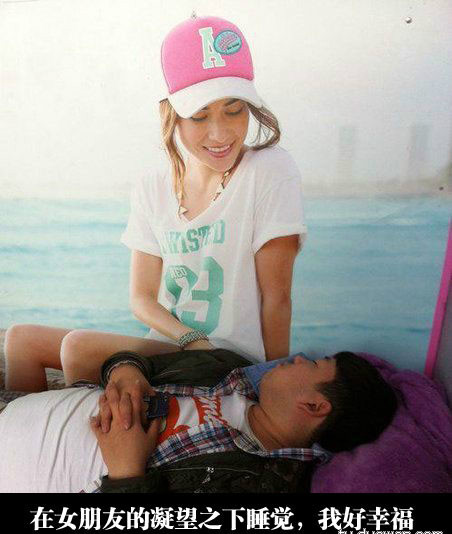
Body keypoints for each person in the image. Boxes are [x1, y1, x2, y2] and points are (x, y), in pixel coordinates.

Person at [4, 14, 306, 393]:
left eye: (234, 110)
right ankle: (29, 429)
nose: (220, 133)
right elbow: (142, 298)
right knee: (20, 339)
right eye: (199, 116)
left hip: (231, 360)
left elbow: (277, 297)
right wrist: (189, 339)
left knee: (79, 347)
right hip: (179, 347)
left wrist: (271, 386)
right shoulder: (153, 186)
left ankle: (89, 428)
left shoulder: (269, 169)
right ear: (172, 115)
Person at [0, 348, 398, 493]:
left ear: (313, 405)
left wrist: (126, 473)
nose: (296, 358)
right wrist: (127, 372)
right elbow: (136, 362)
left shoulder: (260, 486)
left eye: (310, 365)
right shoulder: (229, 369)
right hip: (17, 407)